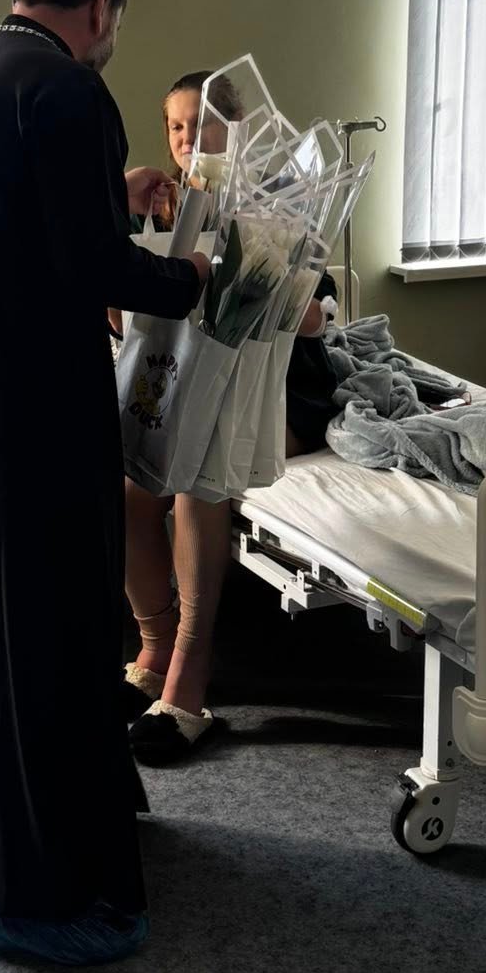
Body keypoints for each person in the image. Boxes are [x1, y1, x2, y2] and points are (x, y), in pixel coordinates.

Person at [0, 0, 209, 967]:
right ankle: (44, 890)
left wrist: (108, 197)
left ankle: (26, 841)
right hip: (24, 379)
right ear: (100, 7)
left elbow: (1, 225)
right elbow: (97, 271)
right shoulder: (70, 89)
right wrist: (195, 276)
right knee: (50, 618)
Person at [120, 70, 342, 764]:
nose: (189, 139)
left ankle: (189, 675)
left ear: (240, 130)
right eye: (177, 127)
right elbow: (127, 318)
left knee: (198, 474)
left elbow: (319, 311)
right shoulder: (162, 208)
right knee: (125, 493)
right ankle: (154, 646)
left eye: (204, 124)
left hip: (279, 395)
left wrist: (277, 293)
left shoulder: (278, 201)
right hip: (188, 386)